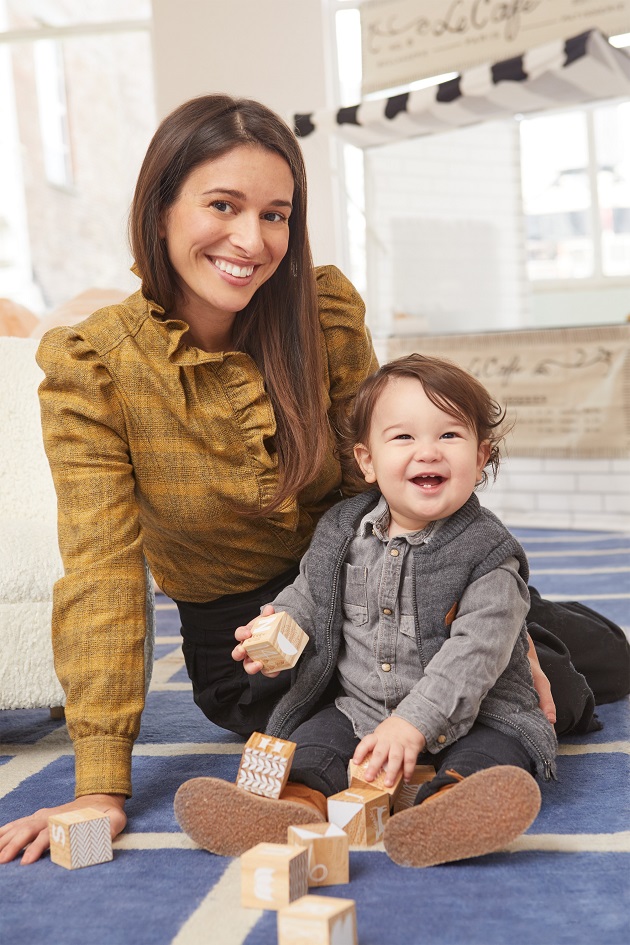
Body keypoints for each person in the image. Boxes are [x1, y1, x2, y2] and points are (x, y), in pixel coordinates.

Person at [0, 95, 626, 866]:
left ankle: (520, 630)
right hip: (256, 646)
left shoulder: (322, 312)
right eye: (222, 206)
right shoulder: (92, 368)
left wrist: (494, 626)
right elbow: (101, 572)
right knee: (385, 718)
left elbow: (382, 481)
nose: (251, 240)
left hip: (390, 577)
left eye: (276, 214)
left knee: (586, 658)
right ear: (160, 209)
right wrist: (101, 784)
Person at [173, 354, 558, 867]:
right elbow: (311, 594)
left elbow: (476, 653)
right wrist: (276, 627)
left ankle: (450, 808)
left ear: (482, 455)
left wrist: (414, 724)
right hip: (364, 708)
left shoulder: (490, 555)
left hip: (479, 709)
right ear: (367, 461)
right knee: (314, 745)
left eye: (449, 436)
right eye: (403, 438)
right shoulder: (342, 531)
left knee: (496, 752)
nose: (428, 452)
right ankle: (292, 807)